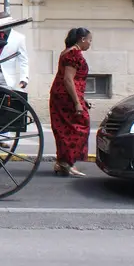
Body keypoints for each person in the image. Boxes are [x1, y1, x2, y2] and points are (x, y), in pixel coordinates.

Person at [49, 27, 93, 178]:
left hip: (63, 94)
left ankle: (63, 162)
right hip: (66, 96)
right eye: (89, 40)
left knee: (64, 130)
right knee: (80, 127)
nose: (90, 43)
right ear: (82, 39)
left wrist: (81, 99)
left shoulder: (67, 52)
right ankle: (67, 163)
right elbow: (68, 79)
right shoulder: (74, 54)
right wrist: (77, 102)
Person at [0, 11, 29, 91]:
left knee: (6, 101)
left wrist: (24, 79)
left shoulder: (19, 38)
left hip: (7, 78)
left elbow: (23, 60)